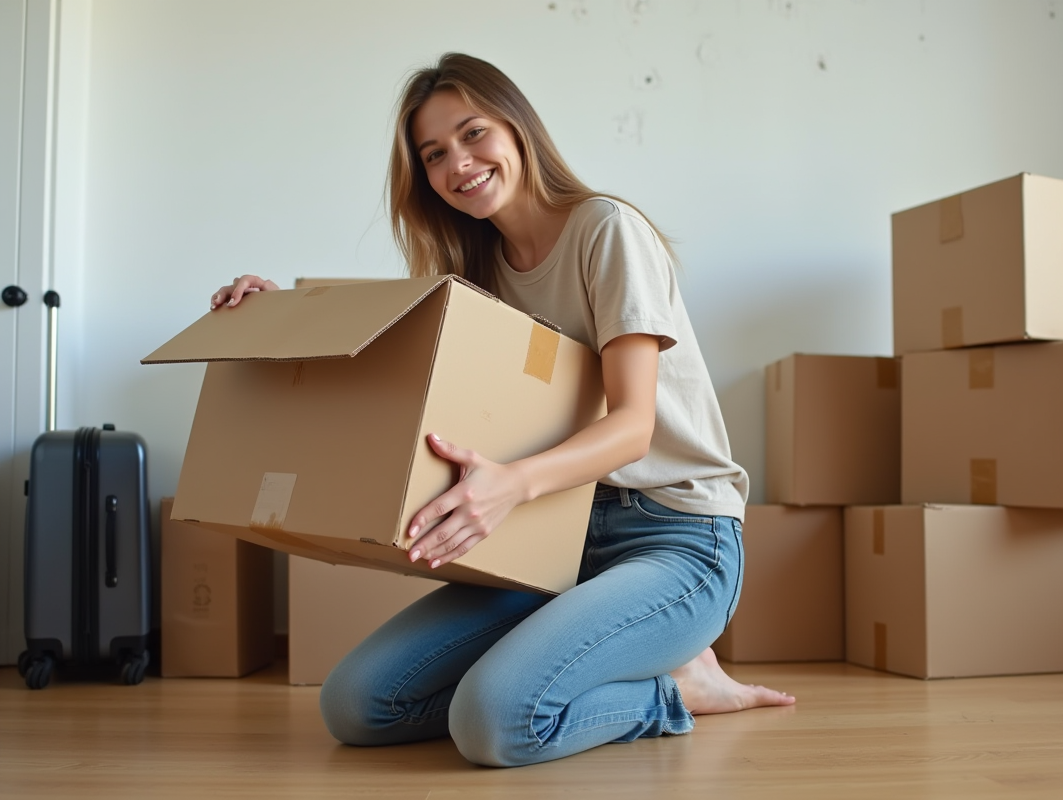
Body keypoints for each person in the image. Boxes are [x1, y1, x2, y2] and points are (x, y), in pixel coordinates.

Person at [209, 52, 793, 768]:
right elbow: (381, 368)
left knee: (494, 721)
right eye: (434, 154)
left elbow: (632, 427)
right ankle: (606, 660)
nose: (458, 163)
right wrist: (279, 313)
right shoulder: (474, 275)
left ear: (518, 128)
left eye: (473, 133)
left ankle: (678, 689)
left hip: (675, 535)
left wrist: (509, 485)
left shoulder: (605, 230)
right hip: (553, 538)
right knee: (357, 705)